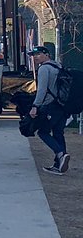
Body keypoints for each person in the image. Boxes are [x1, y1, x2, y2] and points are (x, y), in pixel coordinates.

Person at [28, 45, 70, 175]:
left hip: (50, 106)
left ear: (47, 55)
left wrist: (35, 106)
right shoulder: (58, 66)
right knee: (58, 132)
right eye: (34, 55)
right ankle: (59, 164)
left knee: (43, 132)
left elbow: (42, 90)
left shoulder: (44, 69)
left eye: (38, 54)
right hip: (63, 105)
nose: (35, 57)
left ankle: (60, 154)